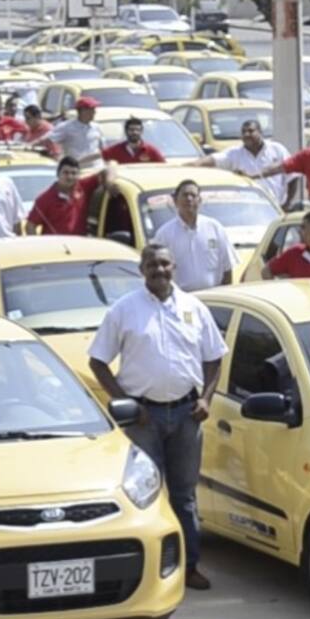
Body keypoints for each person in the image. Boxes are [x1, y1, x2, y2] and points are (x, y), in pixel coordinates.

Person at [88, 243, 227, 591]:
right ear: (142, 270)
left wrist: (206, 399)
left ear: (174, 266)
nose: (159, 270)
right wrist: (125, 402)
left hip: (187, 414)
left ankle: (188, 567)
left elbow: (214, 358)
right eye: (152, 264)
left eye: (164, 263)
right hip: (143, 418)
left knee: (184, 495)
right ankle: (149, 574)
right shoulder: (124, 310)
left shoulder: (194, 308)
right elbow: (98, 361)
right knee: (144, 495)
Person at [152, 179, 237, 291]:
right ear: (175, 201)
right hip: (181, 298)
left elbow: (227, 268)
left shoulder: (215, 228)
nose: (189, 199)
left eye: (193, 195)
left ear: (200, 200)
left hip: (214, 297)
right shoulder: (164, 234)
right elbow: (157, 272)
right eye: (185, 195)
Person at [190, 119, 296, 207]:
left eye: (250, 131)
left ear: (260, 132)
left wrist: (287, 203)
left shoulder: (277, 149)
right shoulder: (235, 154)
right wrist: (193, 165)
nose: (246, 134)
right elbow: (214, 159)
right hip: (247, 209)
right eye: (243, 132)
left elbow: (293, 177)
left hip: (276, 208)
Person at [27, 157, 115, 236]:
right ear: (58, 174)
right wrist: (40, 246)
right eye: (66, 173)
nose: (70, 176)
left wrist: (109, 183)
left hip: (80, 246)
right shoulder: (45, 199)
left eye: (74, 173)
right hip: (55, 247)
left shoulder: (83, 187)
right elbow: (30, 226)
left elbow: (109, 169)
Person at [44, 96, 103, 161]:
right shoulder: (66, 127)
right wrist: (56, 155)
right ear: (82, 111)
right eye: (91, 109)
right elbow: (48, 140)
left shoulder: (96, 127)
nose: (94, 112)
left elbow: (102, 147)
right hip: (76, 165)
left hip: (96, 165)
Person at [101, 117, 166, 164]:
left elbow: (163, 167)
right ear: (126, 131)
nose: (135, 132)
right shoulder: (115, 150)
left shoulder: (151, 151)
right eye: (131, 130)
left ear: (141, 131)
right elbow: (100, 158)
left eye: (137, 130)